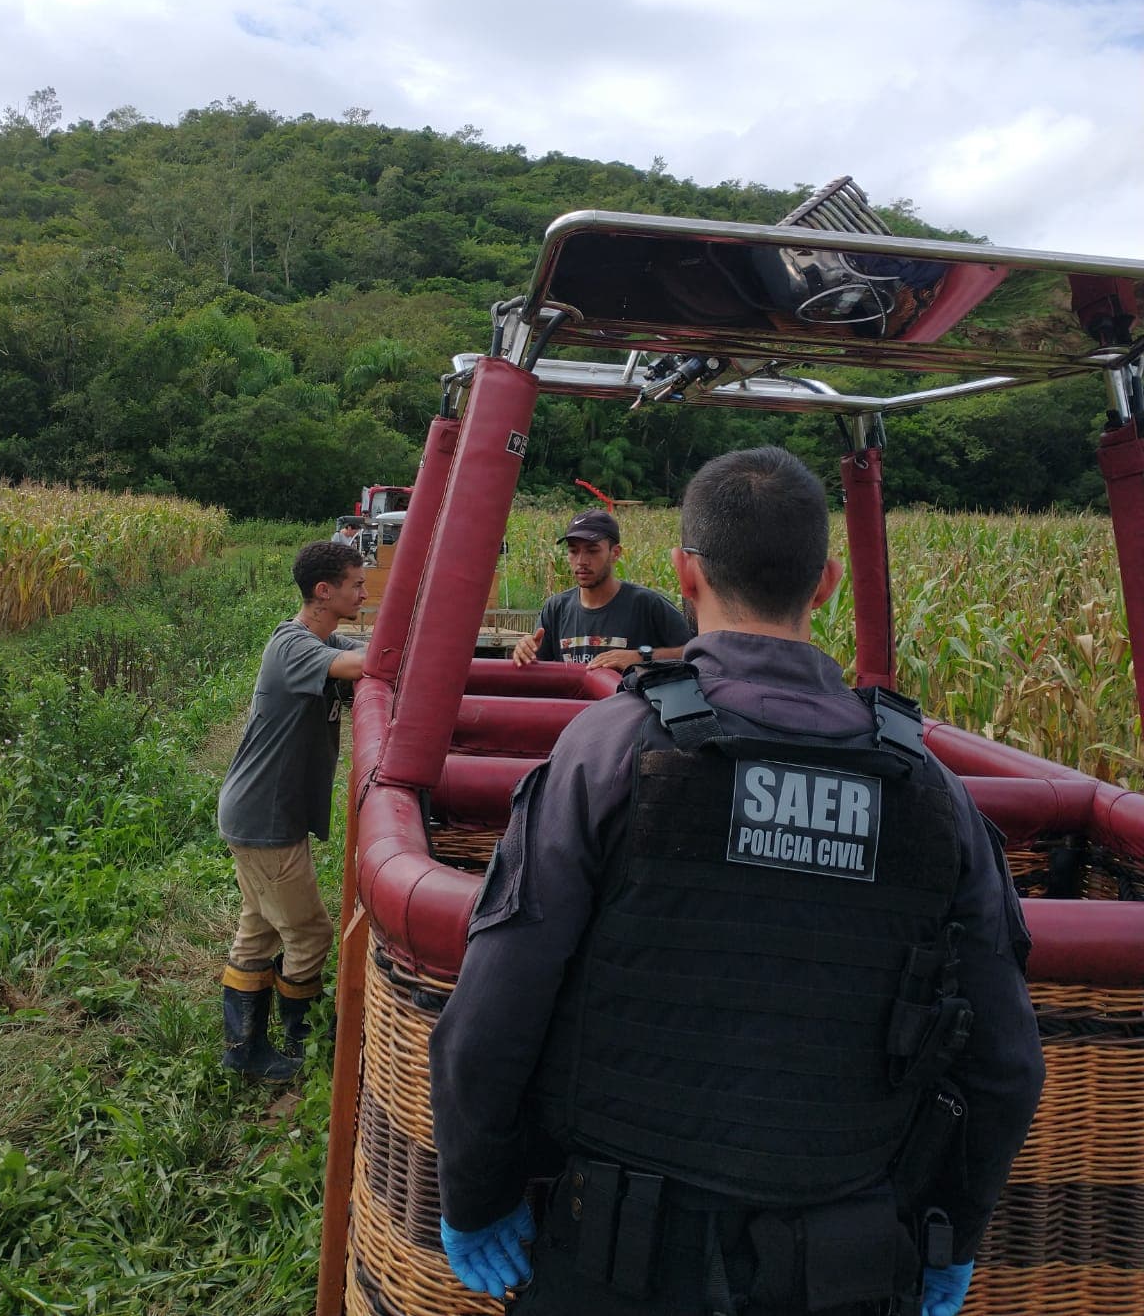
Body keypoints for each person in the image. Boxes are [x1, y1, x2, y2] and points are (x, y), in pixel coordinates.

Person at [430, 448, 1044, 1316]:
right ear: (827, 583)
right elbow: (1007, 1065)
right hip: (850, 1264)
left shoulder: (610, 752)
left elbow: (489, 1022)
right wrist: (953, 1234)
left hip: (621, 1256)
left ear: (684, 572)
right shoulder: (931, 791)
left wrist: (478, 1198)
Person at [217, 541, 367, 1082]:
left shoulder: (323, 639)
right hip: (265, 819)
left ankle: (244, 1051)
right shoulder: (293, 645)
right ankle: (299, 1041)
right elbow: (367, 661)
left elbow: (365, 654)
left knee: (258, 929)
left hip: (264, 814)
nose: (363, 591)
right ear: (323, 592)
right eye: (356, 583)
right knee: (309, 933)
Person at [512, 509, 691, 673]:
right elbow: (537, 669)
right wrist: (525, 651)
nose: (581, 561)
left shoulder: (646, 604)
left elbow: (696, 653)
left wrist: (642, 657)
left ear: (615, 553)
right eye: (573, 551)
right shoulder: (555, 609)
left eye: (592, 551)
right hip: (573, 708)